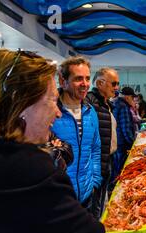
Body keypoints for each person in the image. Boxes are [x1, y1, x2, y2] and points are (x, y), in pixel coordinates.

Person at [0, 49, 104, 233]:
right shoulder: (29, 169)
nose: (56, 112)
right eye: (50, 100)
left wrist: (93, 181)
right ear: (22, 104)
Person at [52, 57, 102, 214]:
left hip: (86, 194)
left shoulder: (90, 111)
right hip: (58, 198)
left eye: (87, 78)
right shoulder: (51, 111)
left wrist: (94, 180)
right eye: (78, 78)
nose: (85, 84)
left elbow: (95, 147)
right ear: (63, 80)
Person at [85, 68, 119, 218]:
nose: (116, 87)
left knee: (100, 202)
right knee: (94, 206)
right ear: (100, 83)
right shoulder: (89, 103)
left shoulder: (106, 104)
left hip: (107, 160)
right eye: (114, 83)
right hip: (96, 164)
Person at [111, 86, 138, 188]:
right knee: (121, 167)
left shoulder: (116, 103)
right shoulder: (123, 106)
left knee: (117, 165)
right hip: (122, 143)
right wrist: (132, 145)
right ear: (127, 97)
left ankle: (114, 185)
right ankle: (118, 187)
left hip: (116, 141)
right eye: (132, 97)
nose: (133, 99)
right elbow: (125, 128)